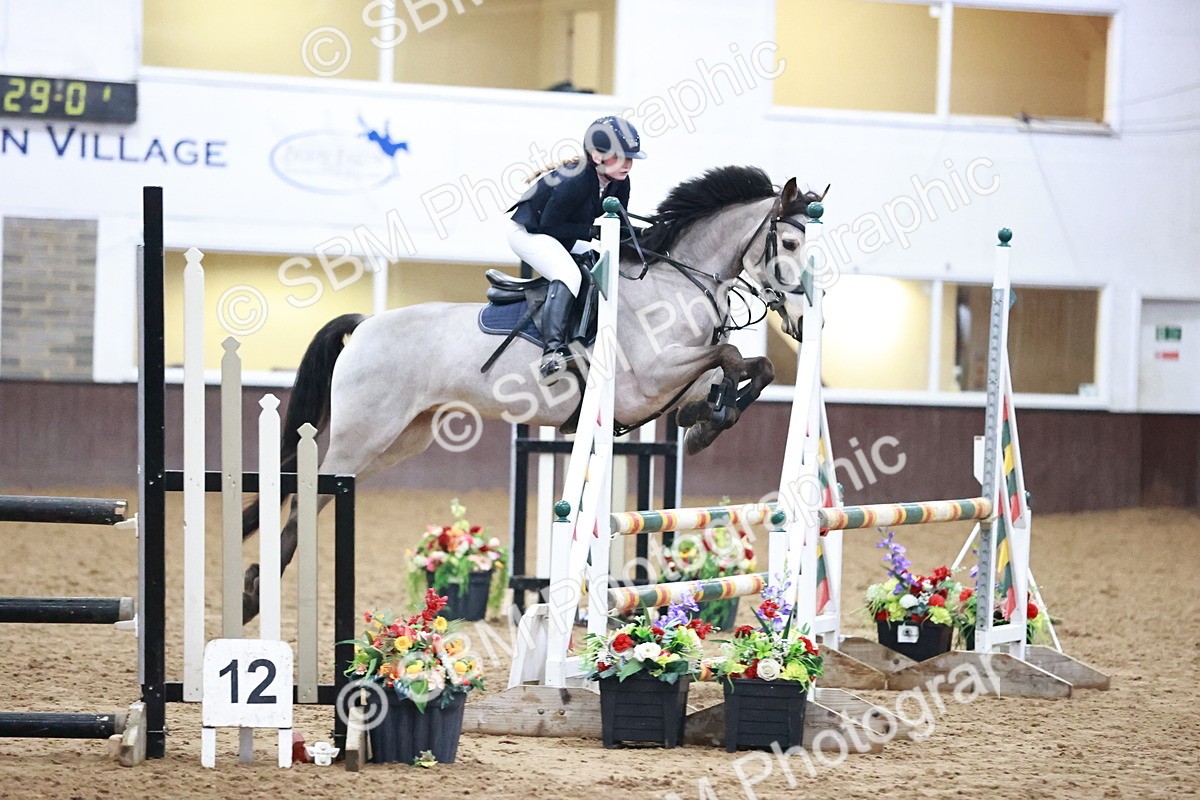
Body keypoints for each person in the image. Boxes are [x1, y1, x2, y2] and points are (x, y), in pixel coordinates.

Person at [508, 115, 646, 383]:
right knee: (569, 273)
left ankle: (583, 338)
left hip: (560, 232)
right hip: (528, 234)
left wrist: (647, 234)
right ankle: (551, 353)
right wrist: (593, 232)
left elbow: (618, 227)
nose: (628, 164)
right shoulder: (576, 181)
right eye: (620, 157)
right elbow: (549, 227)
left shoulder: (620, 181)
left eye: (631, 158)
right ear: (597, 156)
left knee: (601, 264)